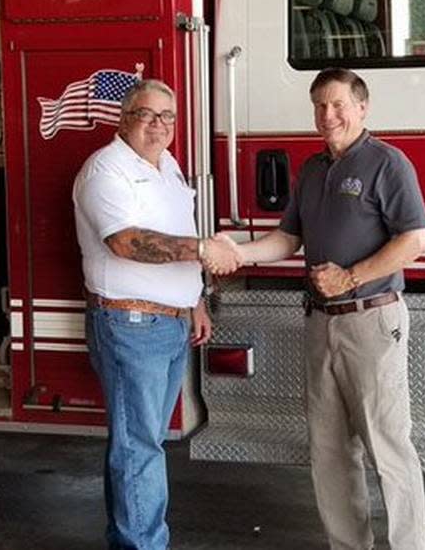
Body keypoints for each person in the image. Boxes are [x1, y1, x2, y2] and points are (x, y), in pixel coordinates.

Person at [208, 68, 425, 550]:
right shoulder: (312, 171)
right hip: (319, 323)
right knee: (329, 452)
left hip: (371, 320)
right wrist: (239, 252)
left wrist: (351, 277)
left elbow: (416, 240)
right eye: (319, 106)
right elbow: (288, 238)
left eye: (337, 105)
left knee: (388, 449)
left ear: (362, 107)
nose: (327, 116)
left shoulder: (388, 164)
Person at [73, 78, 241, 550]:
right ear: (124, 119)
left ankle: (128, 540)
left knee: (137, 443)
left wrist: (195, 300)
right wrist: (205, 249)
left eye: (167, 117)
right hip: (130, 324)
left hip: (168, 321)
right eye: (146, 115)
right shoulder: (106, 170)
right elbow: (126, 242)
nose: (158, 125)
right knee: (139, 446)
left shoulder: (167, 166)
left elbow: (174, 230)